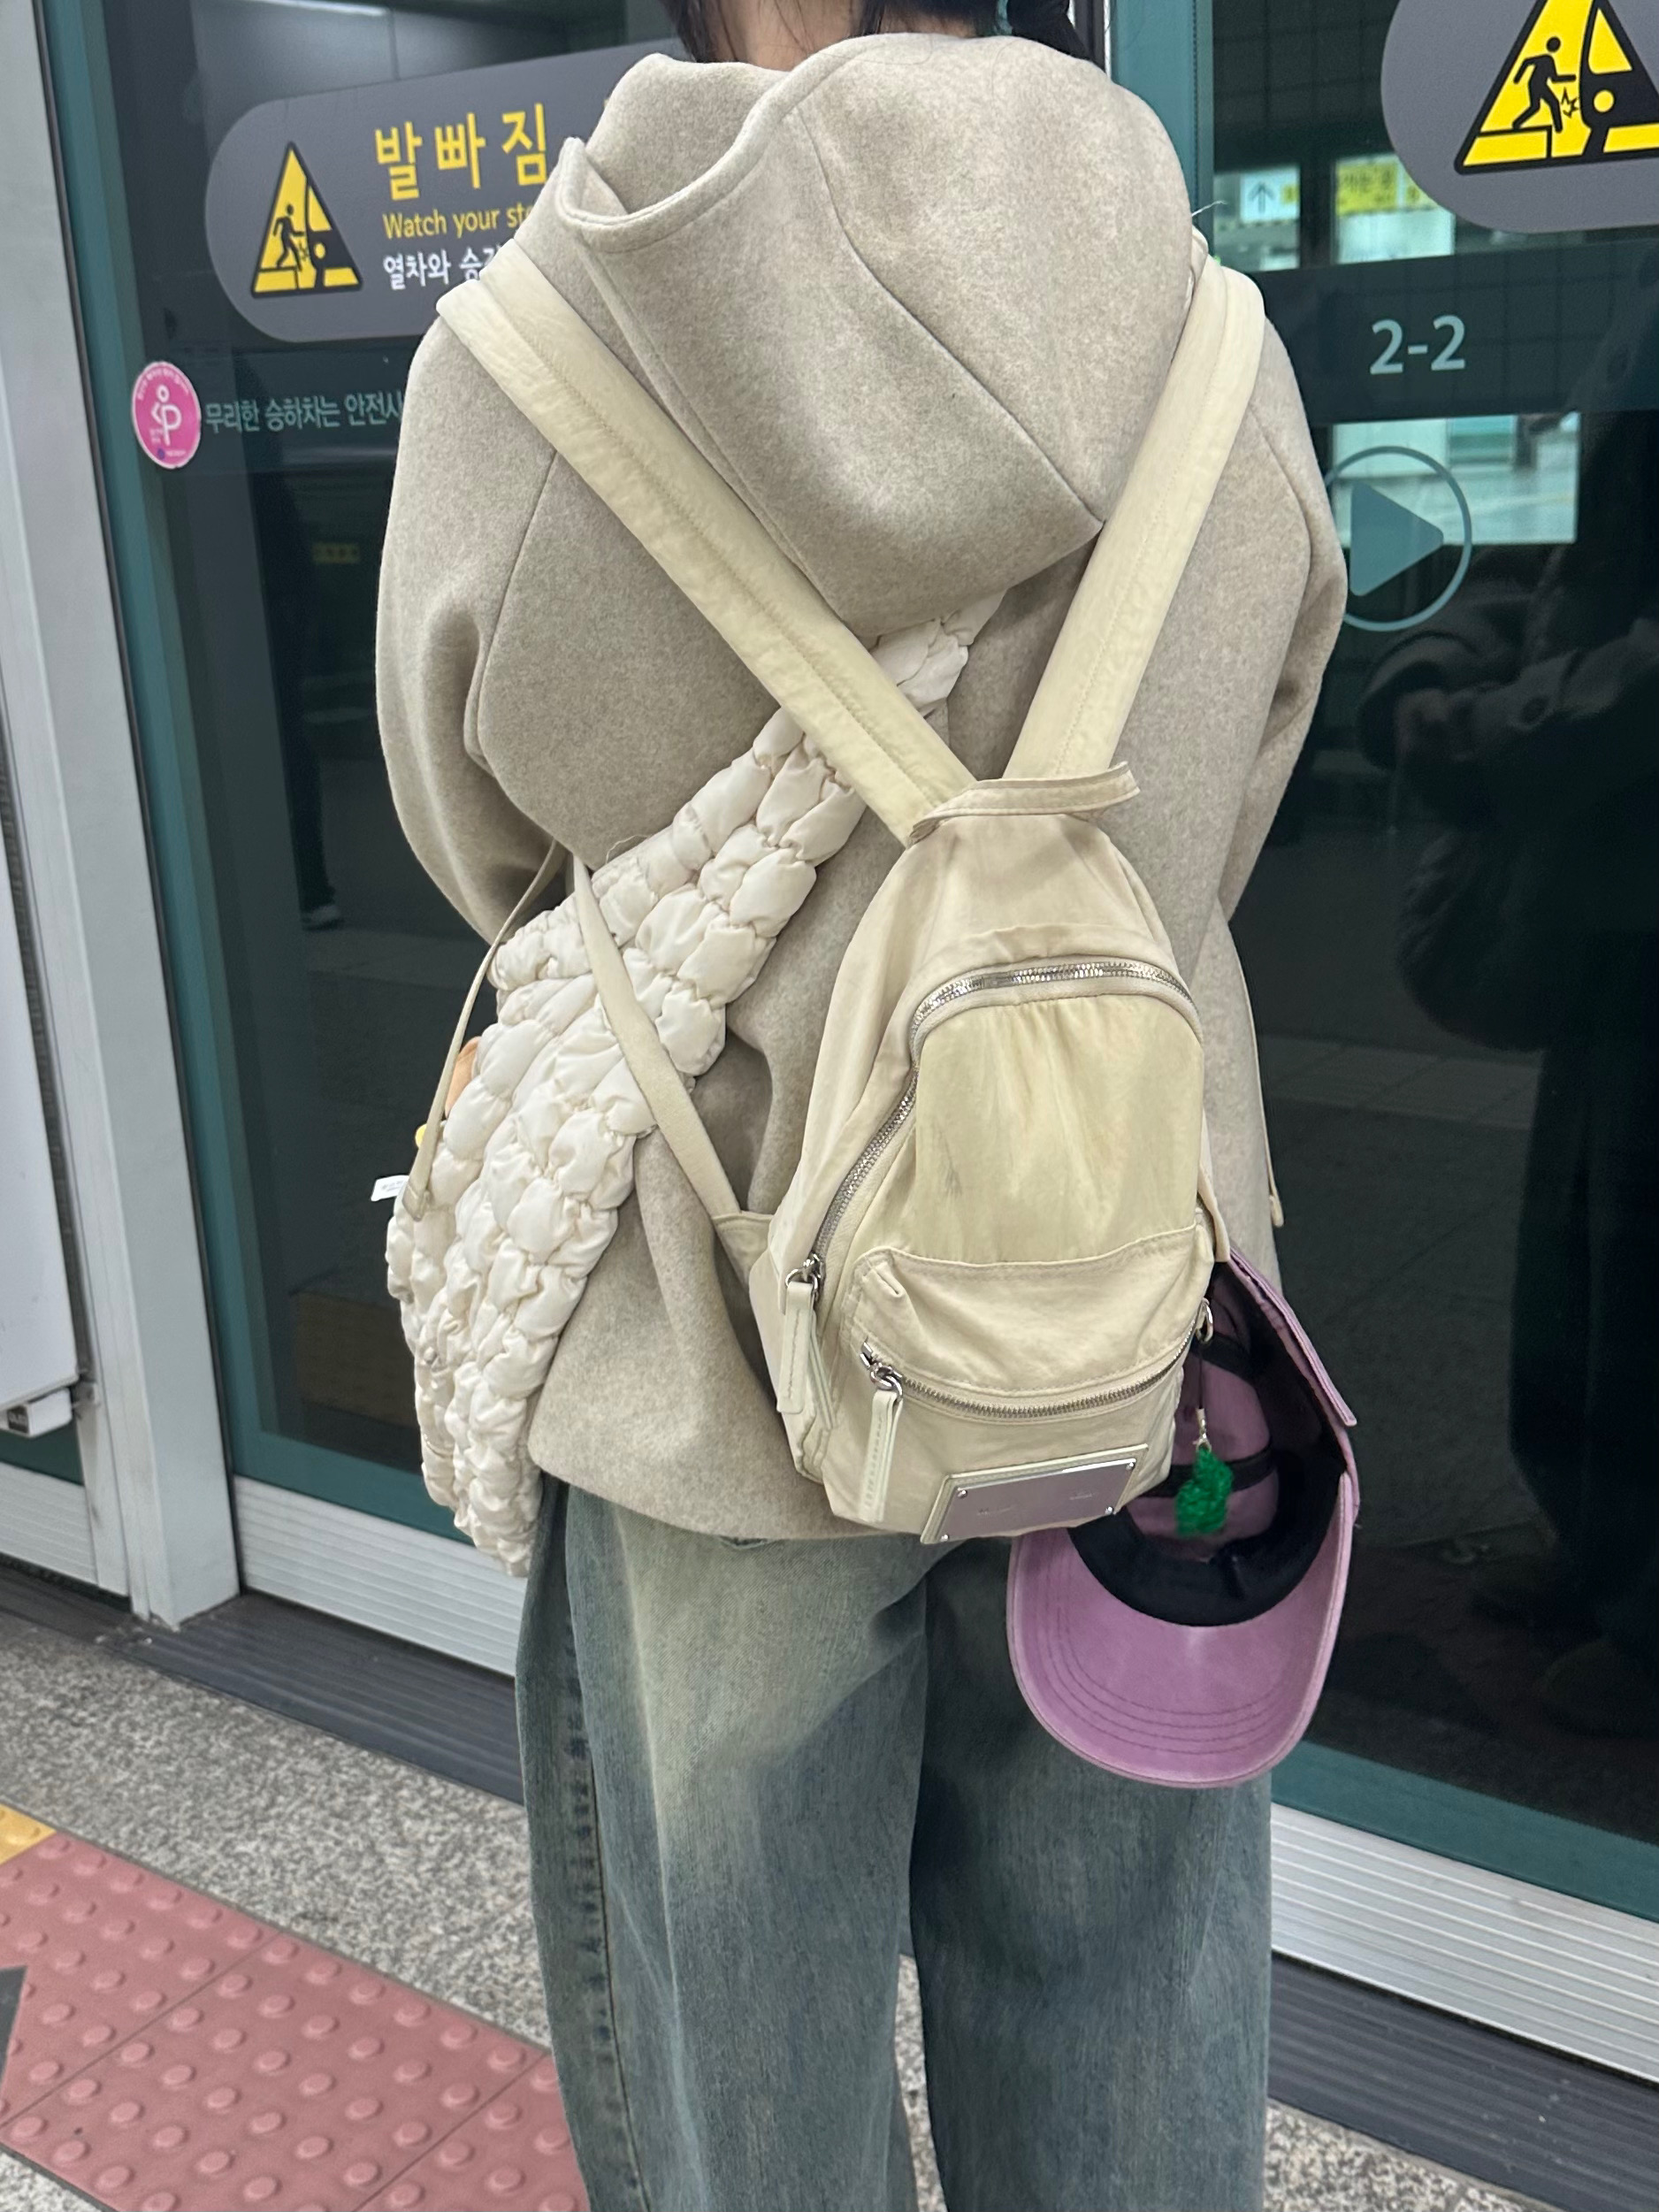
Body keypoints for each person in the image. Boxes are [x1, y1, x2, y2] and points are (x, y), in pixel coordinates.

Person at [377, 4, 1343, 2205]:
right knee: (1124, 1968)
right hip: (1131, 1298)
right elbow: (1231, 810)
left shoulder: (523, 358)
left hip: (710, 1335)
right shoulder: (1214, 343)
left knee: (740, 2053)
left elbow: (481, 850)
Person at [1357, 409, 1659, 1741]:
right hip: (1605, 895)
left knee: (1637, 1277)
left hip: (1618, 849)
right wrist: (1432, 666)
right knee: (1585, 1262)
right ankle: (1602, 1550)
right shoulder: (1627, 344)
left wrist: (1483, 730)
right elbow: (1545, 545)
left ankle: (1648, 1615)